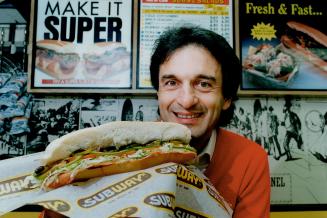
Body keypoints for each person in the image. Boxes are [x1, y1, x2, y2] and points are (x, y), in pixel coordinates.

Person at [150, 25, 270, 217]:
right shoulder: (126, 153)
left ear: (227, 98)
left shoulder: (250, 159)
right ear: (158, 93)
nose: (186, 100)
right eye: (171, 83)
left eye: (204, 84)